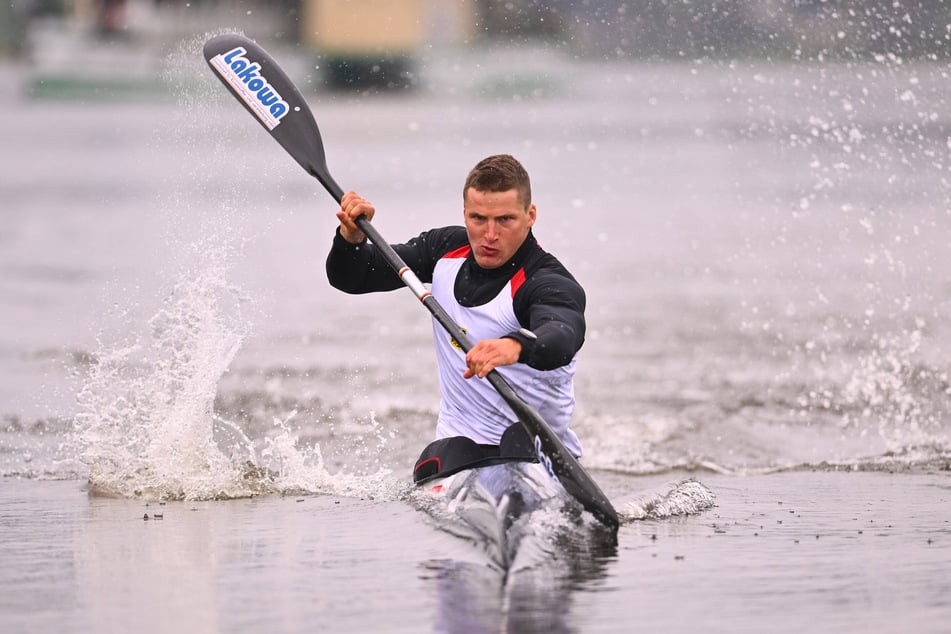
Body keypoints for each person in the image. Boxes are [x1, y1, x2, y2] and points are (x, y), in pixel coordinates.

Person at [326, 154, 586, 482]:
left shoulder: (546, 281)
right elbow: (353, 278)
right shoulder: (444, 250)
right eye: (478, 218)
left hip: (533, 450)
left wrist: (516, 346)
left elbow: (563, 334)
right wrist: (351, 240)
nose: (489, 235)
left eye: (505, 220)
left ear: (530, 216)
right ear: (464, 213)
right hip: (459, 450)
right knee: (436, 459)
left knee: (517, 441)